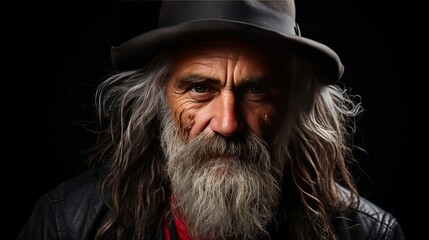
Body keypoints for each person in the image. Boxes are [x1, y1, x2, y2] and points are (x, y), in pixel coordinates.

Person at [18, 1, 406, 240]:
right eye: (200, 88)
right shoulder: (66, 224)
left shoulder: (369, 234)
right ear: (159, 97)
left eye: (256, 90)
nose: (226, 123)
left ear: (294, 104)